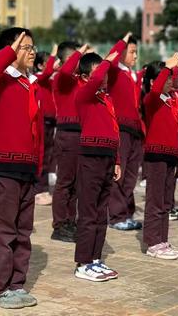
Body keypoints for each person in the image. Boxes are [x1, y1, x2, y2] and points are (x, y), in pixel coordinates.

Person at [0, 29, 42, 309]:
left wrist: (38, 167)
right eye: (25, 47)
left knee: (23, 231)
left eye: (32, 46)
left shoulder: (31, 84)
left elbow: (37, 131)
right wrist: (8, 51)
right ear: (10, 50)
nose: (31, 51)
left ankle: (16, 284)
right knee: (2, 231)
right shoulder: (1, 81)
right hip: (5, 167)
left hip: (27, 168)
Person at [74, 50, 122, 282]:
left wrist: (117, 160)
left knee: (101, 212)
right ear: (85, 76)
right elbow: (95, 80)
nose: (103, 77)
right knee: (88, 211)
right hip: (90, 158)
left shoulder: (107, 99)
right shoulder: (83, 94)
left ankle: (95, 259)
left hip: (107, 158)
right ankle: (83, 262)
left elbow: (114, 130)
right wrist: (107, 62)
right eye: (98, 73)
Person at [142, 54, 178, 260]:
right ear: (153, 81)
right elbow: (157, 88)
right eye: (167, 78)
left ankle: (162, 239)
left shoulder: (171, 100)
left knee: (166, 202)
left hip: (170, 156)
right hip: (156, 155)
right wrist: (167, 68)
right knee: (155, 201)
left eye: (171, 78)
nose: (171, 81)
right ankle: (152, 242)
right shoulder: (152, 99)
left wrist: (174, 69)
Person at [51, 41, 88, 242]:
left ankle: (70, 221)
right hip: (67, 134)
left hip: (81, 134)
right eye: (75, 58)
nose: (78, 62)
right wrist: (79, 53)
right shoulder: (61, 79)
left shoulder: (79, 81)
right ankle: (60, 224)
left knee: (76, 184)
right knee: (65, 182)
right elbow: (65, 71)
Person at [107, 33, 144, 231]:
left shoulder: (133, 75)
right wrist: (122, 41)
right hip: (120, 128)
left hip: (135, 129)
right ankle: (116, 215)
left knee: (131, 174)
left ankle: (126, 212)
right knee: (119, 175)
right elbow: (112, 56)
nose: (135, 56)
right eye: (131, 52)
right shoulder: (114, 72)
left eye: (136, 52)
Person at [34, 47, 58, 206]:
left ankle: (43, 188)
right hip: (41, 120)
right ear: (40, 66)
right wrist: (54, 53)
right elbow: (49, 71)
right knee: (40, 154)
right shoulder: (38, 78)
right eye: (48, 61)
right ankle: (38, 190)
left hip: (52, 121)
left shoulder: (50, 80)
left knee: (49, 154)